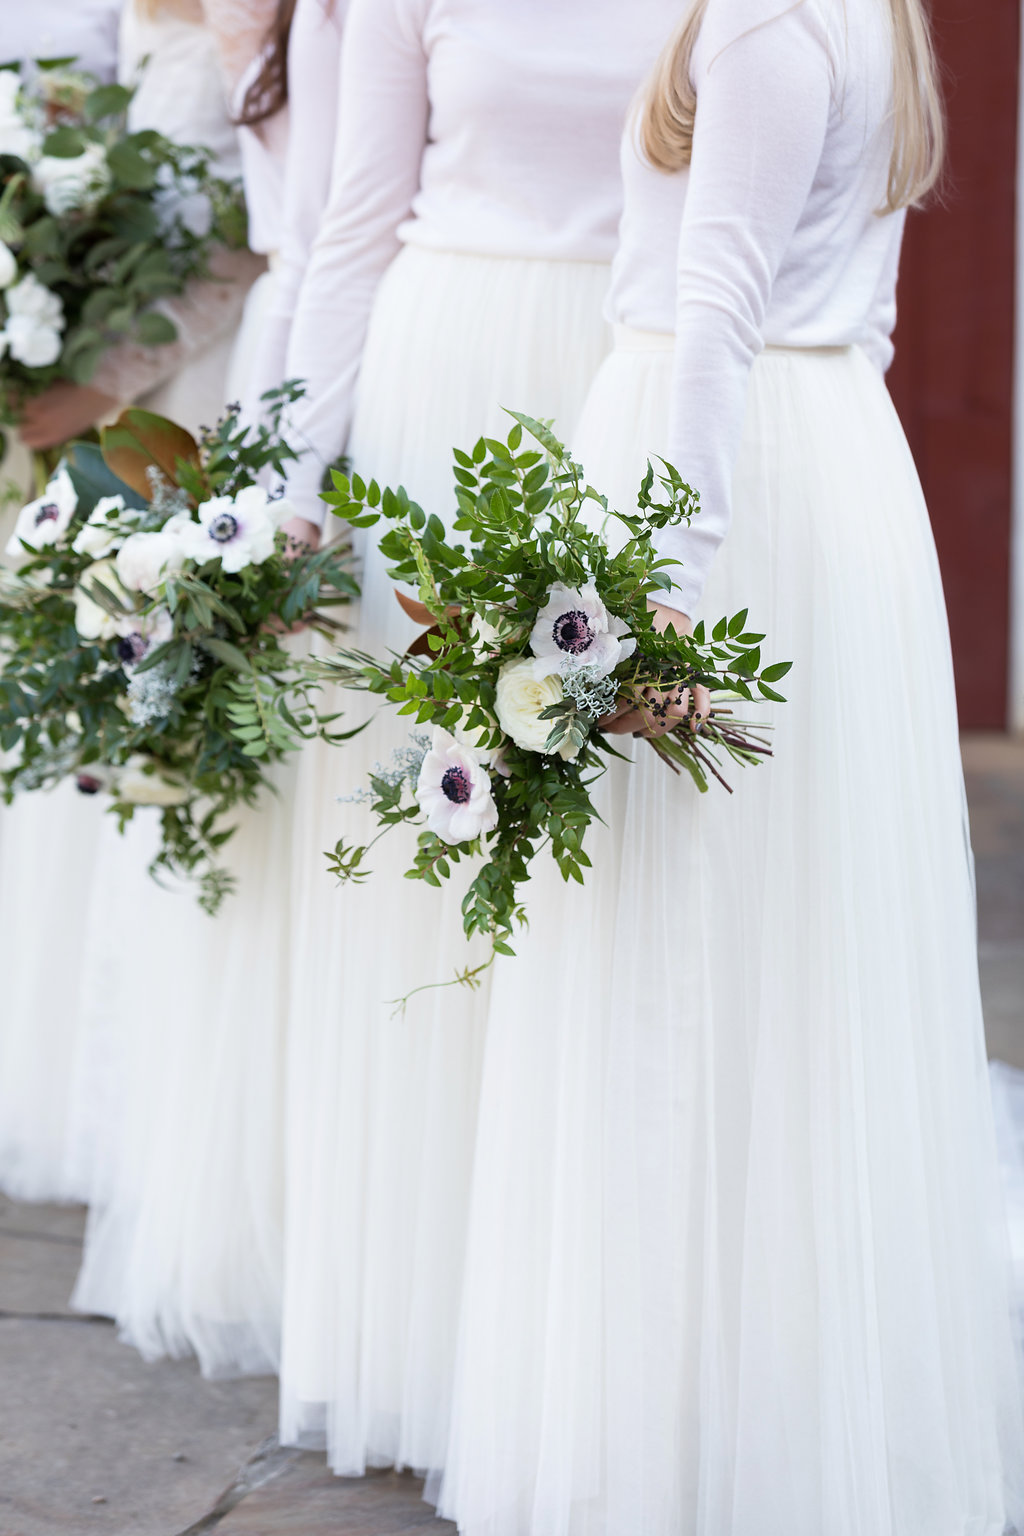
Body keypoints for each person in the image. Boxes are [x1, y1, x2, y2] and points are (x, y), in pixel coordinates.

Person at [433, 1, 1024, 1531]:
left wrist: (659, 586)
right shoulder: (868, 14)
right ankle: (756, 1392)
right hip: (829, 448)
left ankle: (688, 1432)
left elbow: (720, 304)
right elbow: (863, 312)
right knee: (780, 952)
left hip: (727, 474)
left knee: (687, 955)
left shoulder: (768, 21)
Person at [276, 0, 689, 1479]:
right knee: (432, 864)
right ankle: (421, 1327)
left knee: (612, 864)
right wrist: (296, 471)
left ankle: (591, 1332)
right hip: (439, 393)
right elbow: (353, 219)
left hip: (634, 379)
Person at [67, 0, 345, 1383]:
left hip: (231, 380)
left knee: (203, 704)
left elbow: (277, 214)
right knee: (90, 715)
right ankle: (96, 1084)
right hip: (121, 376)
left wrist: (97, 380)